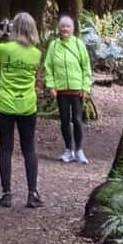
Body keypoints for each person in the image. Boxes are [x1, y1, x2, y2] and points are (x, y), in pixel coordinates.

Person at [0, 11, 43, 209]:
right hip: (27, 105)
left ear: (13, 29)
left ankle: (6, 193)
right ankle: (32, 193)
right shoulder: (36, 54)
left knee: (6, 148)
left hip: (5, 104)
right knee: (29, 149)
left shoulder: (6, 49)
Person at [42, 13, 93, 165]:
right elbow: (48, 67)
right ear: (59, 28)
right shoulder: (54, 45)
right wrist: (51, 85)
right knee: (64, 120)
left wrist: (85, 87)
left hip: (77, 89)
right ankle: (67, 150)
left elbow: (86, 67)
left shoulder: (78, 44)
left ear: (73, 29)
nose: (65, 29)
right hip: (61, 90)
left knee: (77, 119)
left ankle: (79, 150)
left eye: (68, 27)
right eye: (63, 26)